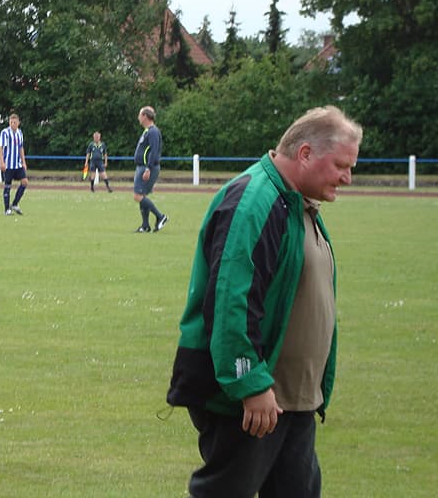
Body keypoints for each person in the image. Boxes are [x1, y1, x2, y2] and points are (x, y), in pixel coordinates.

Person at [165, 106, 363, 498]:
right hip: (254, 399)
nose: (348, 176)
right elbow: (231, 302)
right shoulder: (255, 201)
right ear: (305, 153)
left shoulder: (295, 202)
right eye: (341, 164)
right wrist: (251, 384)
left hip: (291, 397)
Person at [132, 106, 168, 232]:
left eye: (139, 115)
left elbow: (154, 151)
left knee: (137, 196)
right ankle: (145, 225)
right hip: (142, 167)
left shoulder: (153, 131)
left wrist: (148, 168)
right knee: (142, 195)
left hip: (147, 168)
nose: (138, 117)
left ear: (145, 116)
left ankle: (160, 216)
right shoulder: (147, 131)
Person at [0, 112, 28, 215]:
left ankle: (14, 204)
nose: (13, 124)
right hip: (8, 165)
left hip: (17, 165)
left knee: (25, 182)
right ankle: (7, 209)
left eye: (14, 122)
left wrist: (23, 162)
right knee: (7, 186)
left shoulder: (20, 133)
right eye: (11, 122)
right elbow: (0, 148)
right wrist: (2, 162)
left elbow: (21, 148)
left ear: (18, 123)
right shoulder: (5, 133)